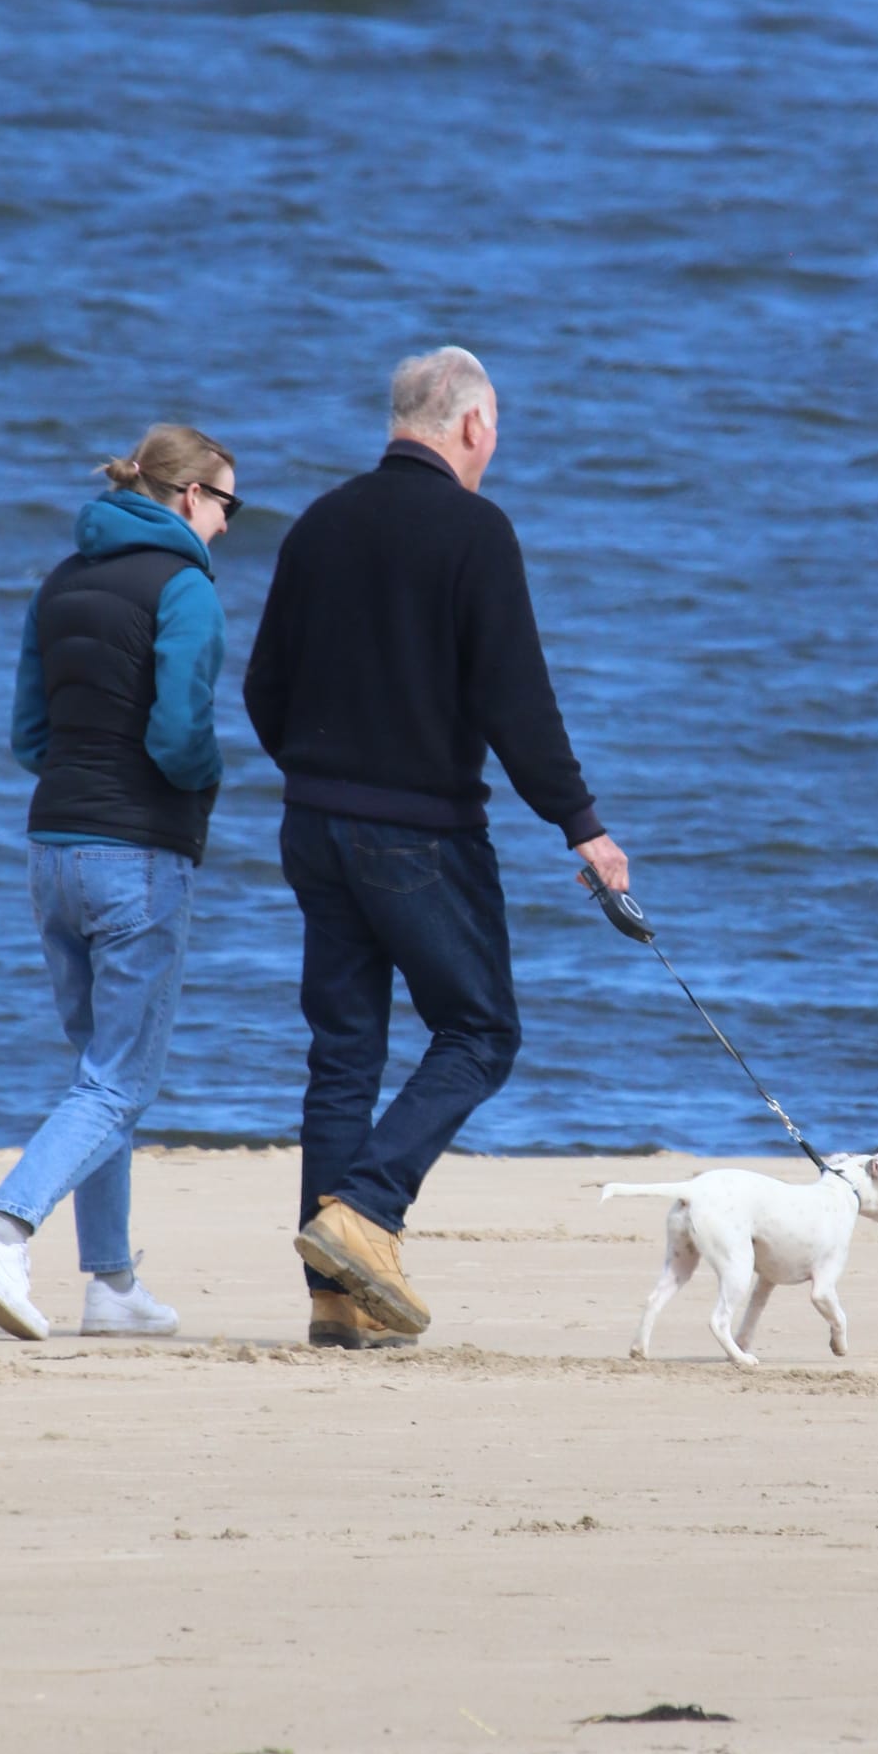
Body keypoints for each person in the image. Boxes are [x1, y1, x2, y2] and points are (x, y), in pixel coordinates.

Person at [244, 346, 629, 1350]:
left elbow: (261, 688)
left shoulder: (321, 523)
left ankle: (336, 1297)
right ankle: (364, 1213)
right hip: (415, 831)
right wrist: (582, 827)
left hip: (312, 824)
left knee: (343, 1051)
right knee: (479, 1032)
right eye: (493, 428)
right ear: (469, 426)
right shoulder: (472, 530)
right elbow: (517, 703)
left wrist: (319, 773)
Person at [0, 424, 240, 1341]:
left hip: (54, 849)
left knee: (96, 1074)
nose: (230, 523)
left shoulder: (61, 581)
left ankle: (110, 1283)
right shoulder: (186, 587)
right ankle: (2, 1228)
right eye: (229, 503)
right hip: (136, 852)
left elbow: (29, 735)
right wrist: (203, 780)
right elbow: (180, 731)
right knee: (116, 1081)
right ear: (190, 498)